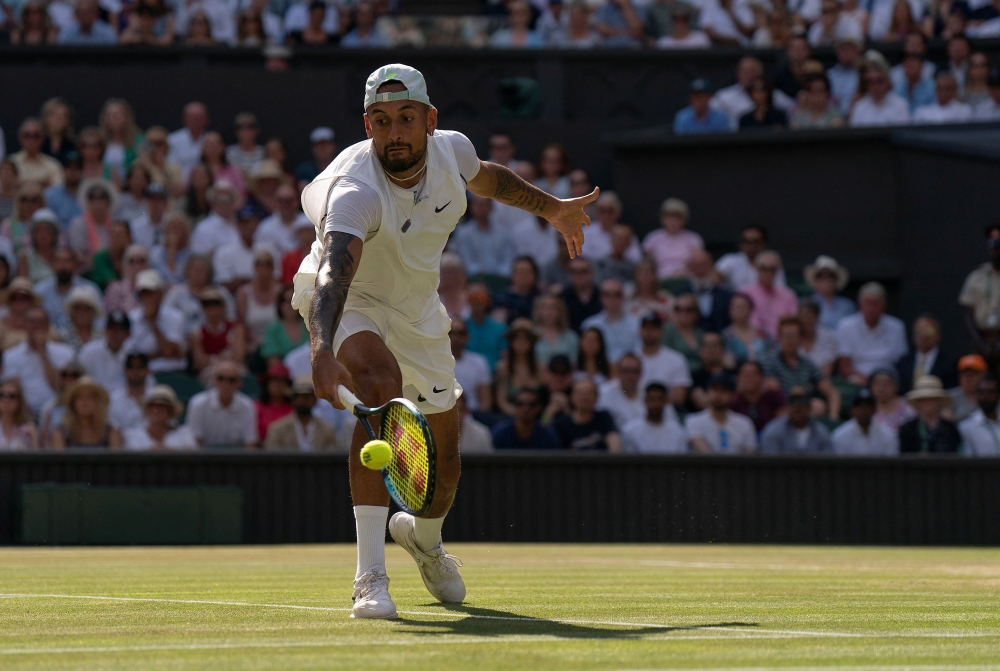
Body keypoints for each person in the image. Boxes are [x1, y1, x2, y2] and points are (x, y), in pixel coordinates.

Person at [296, 64, 596, 619]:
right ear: (368, 126)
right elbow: (336, 274)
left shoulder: (452, 152)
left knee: (446, 460)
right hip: (348, 299)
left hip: (418, 311)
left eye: (407, 119)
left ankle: (423, 539)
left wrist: (552, 207)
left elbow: (491, 179)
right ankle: (370, 575)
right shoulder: (353, 192)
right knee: (379, 386)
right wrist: (319, 350)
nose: (395, 133)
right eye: (381, 122)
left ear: (430, 120)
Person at [762, 317, 841, 420]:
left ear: (801, 339)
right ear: (780, 338)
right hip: (781, 408)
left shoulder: (807, 363)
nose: (789, 340)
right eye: (786, 336)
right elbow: (773, 392)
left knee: (818, 405)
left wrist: (833, 417)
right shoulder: (769, 361)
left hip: (804, 407)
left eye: (793, 336)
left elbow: (832, 392)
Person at [2, 307, 75, 415]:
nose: (36, 325)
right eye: (32, 321)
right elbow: (15, 390)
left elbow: (59, 387)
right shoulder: (11, 355)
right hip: (25, 413)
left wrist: (42, 352)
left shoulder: (65, 352)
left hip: (58, 411)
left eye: (41, 321)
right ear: (24, 325)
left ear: (48, 326)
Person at [836, 282, 908, 384]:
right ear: (860, 305)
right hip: (857, 381)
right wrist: (869, 382)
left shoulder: (897, 326)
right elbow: (845, 367)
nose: (870, 309)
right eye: (867, 303)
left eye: (875, 304)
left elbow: (900, 363)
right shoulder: (845, 326)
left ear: (883, 306)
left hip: (888, 381)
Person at [124, 269, 188, 373]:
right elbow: (132, 358)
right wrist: (161, 354)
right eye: (143, 293)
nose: (147, 298)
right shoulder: (131, 318)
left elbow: (170, 351)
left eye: (150, 293)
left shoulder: (176, 317)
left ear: (160, 293)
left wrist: (152, 323)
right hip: (144, 375)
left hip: (173, 373)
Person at [186, 360, 258, 448]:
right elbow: (195, 441)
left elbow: (250, 443)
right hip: (204, 458)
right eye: (221, 378)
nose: (225, 384)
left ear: (239, 383)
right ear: (214, 380)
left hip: (237, 459)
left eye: (231, 380)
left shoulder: (247, 406)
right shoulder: (198, 403)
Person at [162, 254, 234, 336]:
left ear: (209, 273)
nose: (197, 273)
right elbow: (166, 315)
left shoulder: (221, 292)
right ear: (187, 271)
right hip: (183, 339)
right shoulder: (176, 292)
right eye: (194, 269)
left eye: (201, 270)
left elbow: (230, 317)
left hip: (214, 338)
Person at [686, 374, 758, 453]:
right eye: (714, 390)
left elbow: (750, 454)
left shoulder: (745, 423)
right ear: (707, 392)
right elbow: (704, 453)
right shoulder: (693, 420)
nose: (718, 395)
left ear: (732, 395)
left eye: (723, 390)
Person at [264, 375, 340, 450]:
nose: (301, 401)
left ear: (314, 399)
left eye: (306, 397)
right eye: (296, 396)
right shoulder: (278, 430)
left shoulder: (327, 430)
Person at [961, 225, 1000, 366]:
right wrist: (980, 344)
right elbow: (967, 313)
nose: (996, 253)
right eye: (993, 249)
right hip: (981, 341)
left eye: (998, 249)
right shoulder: (977, 276)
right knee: (980, 382)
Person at [451, 195, 516, 279]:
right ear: (471, 208)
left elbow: (508, 258)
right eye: (478, 204)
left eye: (485, 204)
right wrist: (480, 275)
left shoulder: (504, 233)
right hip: (473, 279)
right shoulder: (463, 234)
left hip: (502, 278)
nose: (481, 208)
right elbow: (466, 260)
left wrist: (501, 274)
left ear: (491, 207)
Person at [50, 376, 121, 448]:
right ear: (73, 403)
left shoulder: (110, 433)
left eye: (89, 397)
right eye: (80, 397)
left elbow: (117, 457)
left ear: (97, 402)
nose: (84, 401)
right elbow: (58, 458)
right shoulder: (61, 433)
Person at [642, 198, 704, 280]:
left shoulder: (693, 238)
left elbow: (699, 263)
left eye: (677, 217)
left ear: (684, 219)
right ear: (662, 218)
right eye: (669, 217)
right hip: (659, 279)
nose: (673, 220)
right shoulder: (652, 238)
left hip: (686, 278)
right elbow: (647, 263)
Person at [637, 313, 691, 407]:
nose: (649, 332)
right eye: (646, 328)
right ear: (639, 331)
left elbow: (679, 396)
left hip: (666, 413)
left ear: (661, 332)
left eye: (653, 328)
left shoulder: (676, 359)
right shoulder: (631, 359)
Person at [895, 314, 957, 395]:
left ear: (938, 335)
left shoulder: (949, 364)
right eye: (919, 331)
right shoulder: (903, 363)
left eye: (929, 331)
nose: (923, 336)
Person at [741, 250, 797, 341]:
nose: (768, 273)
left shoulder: (789, 295)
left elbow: (792, 325)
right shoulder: (744, 294)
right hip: (751, 344)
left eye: (772, 269)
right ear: (756, 268)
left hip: (781, 345)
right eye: (764, 268)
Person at [122, 385, 199, 451]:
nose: (156, 410)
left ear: (170, 411)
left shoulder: (184, 434)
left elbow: (192, 454)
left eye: (161, 406)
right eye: (152, 406)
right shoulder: (132, 435)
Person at [580, 279, 640, 363]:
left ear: (623, 297)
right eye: (607, 294)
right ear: (601, 297)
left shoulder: (637, 324)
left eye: (616, 294)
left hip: (627, 372)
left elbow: (639, 353)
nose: (612, 298)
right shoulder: (590, 325)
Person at [552, 378, 621, 452]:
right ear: (572, 397)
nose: (584, 397)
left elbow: (615, 444)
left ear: (596, 398)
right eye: (580, 393)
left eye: (589, 393)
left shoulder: (604, 417)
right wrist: (548, 414)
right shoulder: (560, 423)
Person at [495, 318, 546, 416]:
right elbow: (502, 402)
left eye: (526, 338)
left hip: (537, 417)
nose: (521, 341)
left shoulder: (541, 367)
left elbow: (544, 398)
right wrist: (520, 414)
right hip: (511, 416)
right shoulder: (502, 368)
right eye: (517, 338)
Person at [759, 387, 834, 454]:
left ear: (809, 408)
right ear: (787, 407)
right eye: (794, 406)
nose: (797, 409)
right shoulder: (774, 431)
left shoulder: (821, 432)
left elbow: (827, 464)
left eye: (801, 407)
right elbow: (770, 464)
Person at [899, 375, 962, 453]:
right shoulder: (907, 430)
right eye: (923, 399)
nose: (927, 403)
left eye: (931, 399)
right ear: (917, 403)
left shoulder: (951, 429)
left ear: (939, 401)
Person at [190, 287, 246, 374]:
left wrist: (210, 359)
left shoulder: (236, 328)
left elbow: (238, 357)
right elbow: (198, 363)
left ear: (223, 306)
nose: (211, 308)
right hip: (210, 372)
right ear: (202, 308)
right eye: (207, 304)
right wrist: (223, 357)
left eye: (215, 304)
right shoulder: (197, 333)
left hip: (234, 368)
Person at [674, 249, 732, 332]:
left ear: (712, 266)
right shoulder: (678, 295)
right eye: (696, 266)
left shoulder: (726, 297)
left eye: (703, 265)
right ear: (689, 268)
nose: (700, 270)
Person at [850, 51, 912, 127]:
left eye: (879, 80)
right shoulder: (859, 106)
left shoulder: (900, 105)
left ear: (887, 80)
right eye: (870, 81)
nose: (875, 85)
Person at [622, 383, 688, 453]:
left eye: (659, 399)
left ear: (666, 401)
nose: (655, 404)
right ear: (645, 400)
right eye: (652, 399)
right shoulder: (630, 430)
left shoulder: (677, 431)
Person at [715, 225, 785, 291]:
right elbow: (713, 278)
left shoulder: (771, 262)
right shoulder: (730, 260)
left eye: (755, 242)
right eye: (747, 241)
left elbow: (779, 290)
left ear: (764, 243)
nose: (751, 246)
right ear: (741, 243)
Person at [236, 248, 280, 351]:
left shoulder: (280, 292)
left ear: (273, 268)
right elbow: (242, 324)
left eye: (267, 265)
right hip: (253, 346)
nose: (264, 270)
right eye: (260, 266)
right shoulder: (244, 293)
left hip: (278, 345)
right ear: (255, 268)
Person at [67, 179, 117, 270]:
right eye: (93, 197)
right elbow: (78, 253)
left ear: (108, 201)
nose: (97, 202)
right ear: (88, 201)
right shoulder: (78, 224)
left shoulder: (115, 224)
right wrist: (98, 266)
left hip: (112, 267)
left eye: (102, 197)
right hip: (87, 269)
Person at [832, 388, 899, 455]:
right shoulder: (840, 436)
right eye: (860, 407)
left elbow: (891, 463)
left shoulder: (888, 434)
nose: (863, 410)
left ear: (874, 409)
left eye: (867, 406)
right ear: (852, 409)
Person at [78, 311, 132, 394]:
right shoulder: (90, 351)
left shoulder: (133, 354)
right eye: (112, 329)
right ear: (105, 330)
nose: (115, 333)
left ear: (128, 334)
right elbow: (78, 378)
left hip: (123, 402)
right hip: (94, 399)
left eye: (119, 329)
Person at [491, 388, 561, 450]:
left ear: (539, 407)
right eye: (520, 404)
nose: (526, 409)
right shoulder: (499, 433)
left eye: (531, 404)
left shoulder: (548, 435)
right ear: (514, 406)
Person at [449, 319, 492, 412]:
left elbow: (486, 401)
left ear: (467, 336)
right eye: (451, 333)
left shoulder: (479, 362)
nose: (456, 338)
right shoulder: (434, 364)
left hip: (473, 414)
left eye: (460, 333)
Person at [731, 359, 785, 432]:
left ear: (762, 377)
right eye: (746, 375)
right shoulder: (734, 400)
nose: (750, 379)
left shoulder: (774, 395)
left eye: (753, 375)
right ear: (738, 378)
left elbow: (783, 422)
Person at [804, 255, 855, 331]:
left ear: (836, 280)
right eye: (820, 275)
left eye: (830, 276)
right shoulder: (806, 305)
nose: (825, 279)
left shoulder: (847, 305)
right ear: (815, 280)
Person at [261, 285, 309, 366]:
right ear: (280, 304)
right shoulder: (273, 329)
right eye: (286, 301)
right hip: (283, 376)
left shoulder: (309, 325)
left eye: (294, 300)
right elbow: (272, 361)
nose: (290, 305)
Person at [597, 353, 647, 431]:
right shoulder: (603, 393)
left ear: (641, 373)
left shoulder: (649, 393)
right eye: (626, 371)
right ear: (618, 372)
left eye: (635, 371)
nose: (630, 376)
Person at [256, 184, 309, 255]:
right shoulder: (265, 227)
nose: (285, 204)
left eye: (289, 201)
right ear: (275, 202)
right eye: (281, 201)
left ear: (297, 201)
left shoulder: (308, 223)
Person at [10, 119, 64, 187]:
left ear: (42, 139)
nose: (31, 139)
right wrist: (42, 184)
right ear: (20, 138)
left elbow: (58, 191)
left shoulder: (53, 165)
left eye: (36, 136)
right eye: (27, 135)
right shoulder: (10, 162)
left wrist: (22, 184)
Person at [108, 352, 154, 432]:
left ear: (148, 370)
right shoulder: (114, 399)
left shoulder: (156, 396)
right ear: (125, 371)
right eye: (131, 367)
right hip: (124, 443)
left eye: (140, 366)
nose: (135, 371)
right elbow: (113, 431)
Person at [465, 283, 506, 370]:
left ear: (489, 301)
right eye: (472, 297)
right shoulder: (461, 328)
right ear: (467, 301)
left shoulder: (500, 329)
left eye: (481, 297)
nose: (476, 301)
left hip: (494, 375)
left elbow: (505, 356)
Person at [722, 292, 770, 364]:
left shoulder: (763, 333)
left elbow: (771, 355)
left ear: (751, 310)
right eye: (737, 307)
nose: (740, 310)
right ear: (730, 311)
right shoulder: (725, 336)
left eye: (744, 307)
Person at [167, 102, 210, 179]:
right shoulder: (172, 140)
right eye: (192, 117)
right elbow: (170, 166)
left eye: (199, 117)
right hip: (179, 183)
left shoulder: (211, 140)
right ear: (184, 119)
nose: (196, 121)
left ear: (206, 119)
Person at [663, 292, 704, 373]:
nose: (683, 313)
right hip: (676, 375)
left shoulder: (700, 333)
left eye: (688, 310)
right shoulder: (667, 331)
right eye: (678, 309)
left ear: (696, 313)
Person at [103, 244, 150, 315]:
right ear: (125, 265)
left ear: (148, 265)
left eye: (141, 261)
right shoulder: (115, 289)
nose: (137, 265)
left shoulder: (154, 291)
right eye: (131, 261)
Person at [958, 377, 1000, 457]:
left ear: (998, 395)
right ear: (976, 395)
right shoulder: (967, 426)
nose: (986, 396)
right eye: (982, 392)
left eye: (991, 392)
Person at [491, 256, 540, 324]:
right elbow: (498, 325)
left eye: (526, 272)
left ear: (535, 275)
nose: (523, 276)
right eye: (520, 272)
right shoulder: (502, 297)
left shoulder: (541, 297)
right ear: (513, 275)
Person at [18, 209, 61, 285]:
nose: (43, 235)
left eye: (47, 230)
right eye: (39, 230)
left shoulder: (62, 255)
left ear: (54, 234)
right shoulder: (26, 257)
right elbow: (22, 284)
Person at [151, 212, 194, 286]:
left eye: (178, 226)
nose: (175, 229)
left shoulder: (192, 256)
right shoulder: (155, 253)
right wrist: (171, 250)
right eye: (172, 226)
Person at [44, 152, 84, 229]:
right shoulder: (50, 195)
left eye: (77, 168)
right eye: (68, 167)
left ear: (82, 171)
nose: (72, 172)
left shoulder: (90, 196)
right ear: (62, 170)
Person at [561, 257, 602, 331]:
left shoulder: (603, 295)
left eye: (584, 271)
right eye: (574, 271)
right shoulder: (562, 297)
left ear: (592, 273)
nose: (579, 275)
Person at [870, 367, 915, 432]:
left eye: (885, 384)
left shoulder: (909, 407)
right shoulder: (867, 409)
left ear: (896, 386)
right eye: (877, 384)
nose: (881, 389)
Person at [60, 285, 102, 351]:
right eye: (78, 308)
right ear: (72, 312)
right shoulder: (61, 336)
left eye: (86, 308)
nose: (82, 313)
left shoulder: (103, 337)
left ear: (93, 312)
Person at [0, 378, 39, 450]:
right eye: (1, 395)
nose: (6, 400)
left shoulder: (29, 431)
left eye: (11, 396)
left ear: (19, 400)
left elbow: (36, 459)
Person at [948, 354, 987, 423]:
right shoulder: (949, 397)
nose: (969, 379)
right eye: (965, 375)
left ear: (983, 375)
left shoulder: (990, 395)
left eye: (973, 374)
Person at [227, 112, 265, 176]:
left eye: (250, 127)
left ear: (256, 130)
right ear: (236, 132)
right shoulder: (229, 152)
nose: (246, 131)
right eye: (241, 128)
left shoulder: (263, 152)